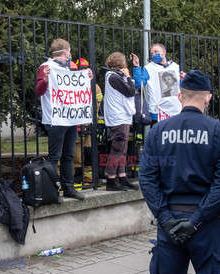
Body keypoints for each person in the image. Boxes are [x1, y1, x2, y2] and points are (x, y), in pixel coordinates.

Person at [139, 70, 220, 274]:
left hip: (169, 224)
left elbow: (147, 179)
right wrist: (197, 221)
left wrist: (165, 218)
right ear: (208, 98)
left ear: (180, 96)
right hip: (207, 225)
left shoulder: (159, 131)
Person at [35, 38, 92, 200]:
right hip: (56, 119)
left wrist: (87, 78)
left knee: (68, 156)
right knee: (55, 157)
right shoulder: (46, 67)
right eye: (69, 52)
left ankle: (68, 187)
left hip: (70, 119)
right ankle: (52, 191)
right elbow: (39, 91)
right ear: (66, 51)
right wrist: (45, 79)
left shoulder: (69, 68)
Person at [103, 52, 139, 191]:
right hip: (118, 118)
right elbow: (130, 92)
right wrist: (129, 76)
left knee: (123, 148)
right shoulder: (113, 77)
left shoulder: (116, 76)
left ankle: (122, 176)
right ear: (120, 65)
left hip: (121, 116)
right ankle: (111, 179)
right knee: (118, 148)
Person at [130, 43, 186, 123]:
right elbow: (139, 85)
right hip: (158, 113)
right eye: (152, 53)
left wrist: (185, 79)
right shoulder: (149, 68)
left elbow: (181, 86)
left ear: (164, 52)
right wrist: (136, 66)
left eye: (156, 52)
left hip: (176, 110)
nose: (154, 55)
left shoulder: (175, 66)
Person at [72, 57, 103, 183]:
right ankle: (77, 177)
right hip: (75, 124)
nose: (84, 71)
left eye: (85, 68)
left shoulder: (95, 87)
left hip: (89, 124)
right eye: (81, 69)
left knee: (89, 153)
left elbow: (96, 106)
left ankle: (89, 177)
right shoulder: (71, 84)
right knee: (76, 155)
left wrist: (89, 122)